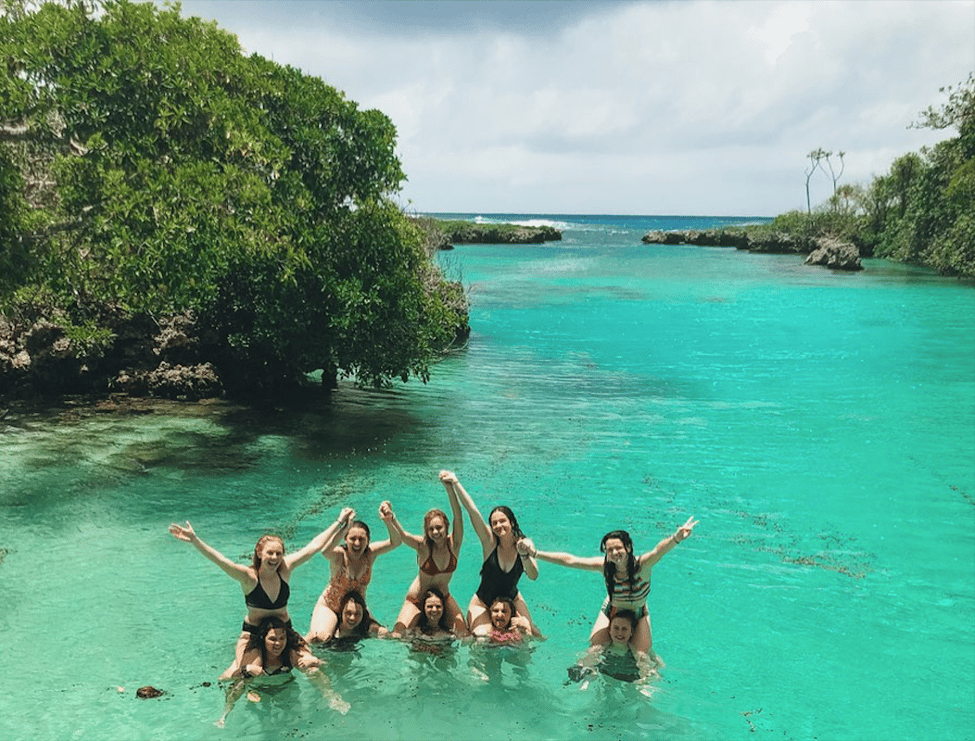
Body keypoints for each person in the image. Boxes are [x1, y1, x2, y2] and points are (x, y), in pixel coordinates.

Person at [169, 507, 356, 676]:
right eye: (270, 553)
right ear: (260, 553)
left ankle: (331, 698)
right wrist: (195, 540)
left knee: (312, 665)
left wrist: (339, 523)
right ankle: (226, 712)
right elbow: (220, 560)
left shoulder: (285, 569)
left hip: (283, 633)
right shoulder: (248, 577)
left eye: (278, 553)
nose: (275, 558)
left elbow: (313, 547)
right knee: (247, 673)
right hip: (253, 635)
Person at [528, 516, 698, 658]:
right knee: (595, 649)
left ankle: (645, 685)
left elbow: (658, 551)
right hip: (613, 610)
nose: (615, 553)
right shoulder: (605, 568)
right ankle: (585, 675)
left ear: (628, 548)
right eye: (610, 550)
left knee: (642, 655)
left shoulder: (642, 565)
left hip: (639, 613)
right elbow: (571, 560)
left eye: (618, 548)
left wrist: (676, 538)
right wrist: (536, 554)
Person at [448, 471, 541, 637]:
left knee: (530, 633)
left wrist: (525, 555)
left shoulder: (523, 545)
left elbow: (533, 575)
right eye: (494, 523)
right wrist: (455, 483)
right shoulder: (490, 543)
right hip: (482, 602)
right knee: (483, 637)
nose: (498, 526)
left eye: (502, 521)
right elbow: (472, 511)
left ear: (512, 522)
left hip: (511, 600)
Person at [216, 616, 349, 726]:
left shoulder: (289, 655)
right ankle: (224, 714)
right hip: (257, 690)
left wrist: (316, 662)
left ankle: (332, 697)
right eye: (272, 639)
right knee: (241, 684)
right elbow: (223, 678)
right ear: (264, 639)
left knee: (313, 671)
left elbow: (328, 665)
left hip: (286, 688)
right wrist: (247, 669)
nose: (278, 644)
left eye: (282, 638)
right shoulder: (254, 656)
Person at [306, 501, 401, 643]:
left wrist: (389, 520)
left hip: (357, 611)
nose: (357, 543)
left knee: (384, 634)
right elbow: (325, 550)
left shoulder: (370, 554)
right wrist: (343, 527)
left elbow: (396, 542)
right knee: (320, 638)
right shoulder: (339, 555)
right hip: (331, 606)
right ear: (345, 539)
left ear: (368, 540)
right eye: (352, 538)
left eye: (362, 539)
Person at [389, 472, 466, 637]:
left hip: (442, 599)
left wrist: (449, 488)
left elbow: (458, 516)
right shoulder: (424, 547)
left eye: (439, 528)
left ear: (446, 527)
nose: (435, 532)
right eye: (431, 529)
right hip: (417, 598)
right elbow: (404, 536)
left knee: (463, 633)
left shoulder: (455, 544)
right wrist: (392, 518)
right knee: (397, 634)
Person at [567, 609, 660, 693]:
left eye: (624, 629)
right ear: (610, 630)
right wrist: (581, 667)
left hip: (630, 677)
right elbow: (587, 657)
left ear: (631, 632)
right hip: (607, 674)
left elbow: (658, 664)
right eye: (616, 628)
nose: (619, 633)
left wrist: (652, 675)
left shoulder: (637, 651)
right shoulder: (603, 647)